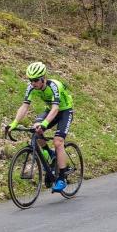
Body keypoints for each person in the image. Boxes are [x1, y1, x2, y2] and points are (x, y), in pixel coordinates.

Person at [7, 61, 74, 193]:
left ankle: (62, 177)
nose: (33, 83)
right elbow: (24, 106)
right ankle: (50, 155)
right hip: (50, 110)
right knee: (35, 129)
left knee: (58, 142)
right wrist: (14, 123)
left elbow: (56, 109)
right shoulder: (31, 87)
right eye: (31, 80)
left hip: (65, 111)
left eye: (36, 80)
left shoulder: (54, 86)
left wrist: (44, 124)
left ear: (43, 78)